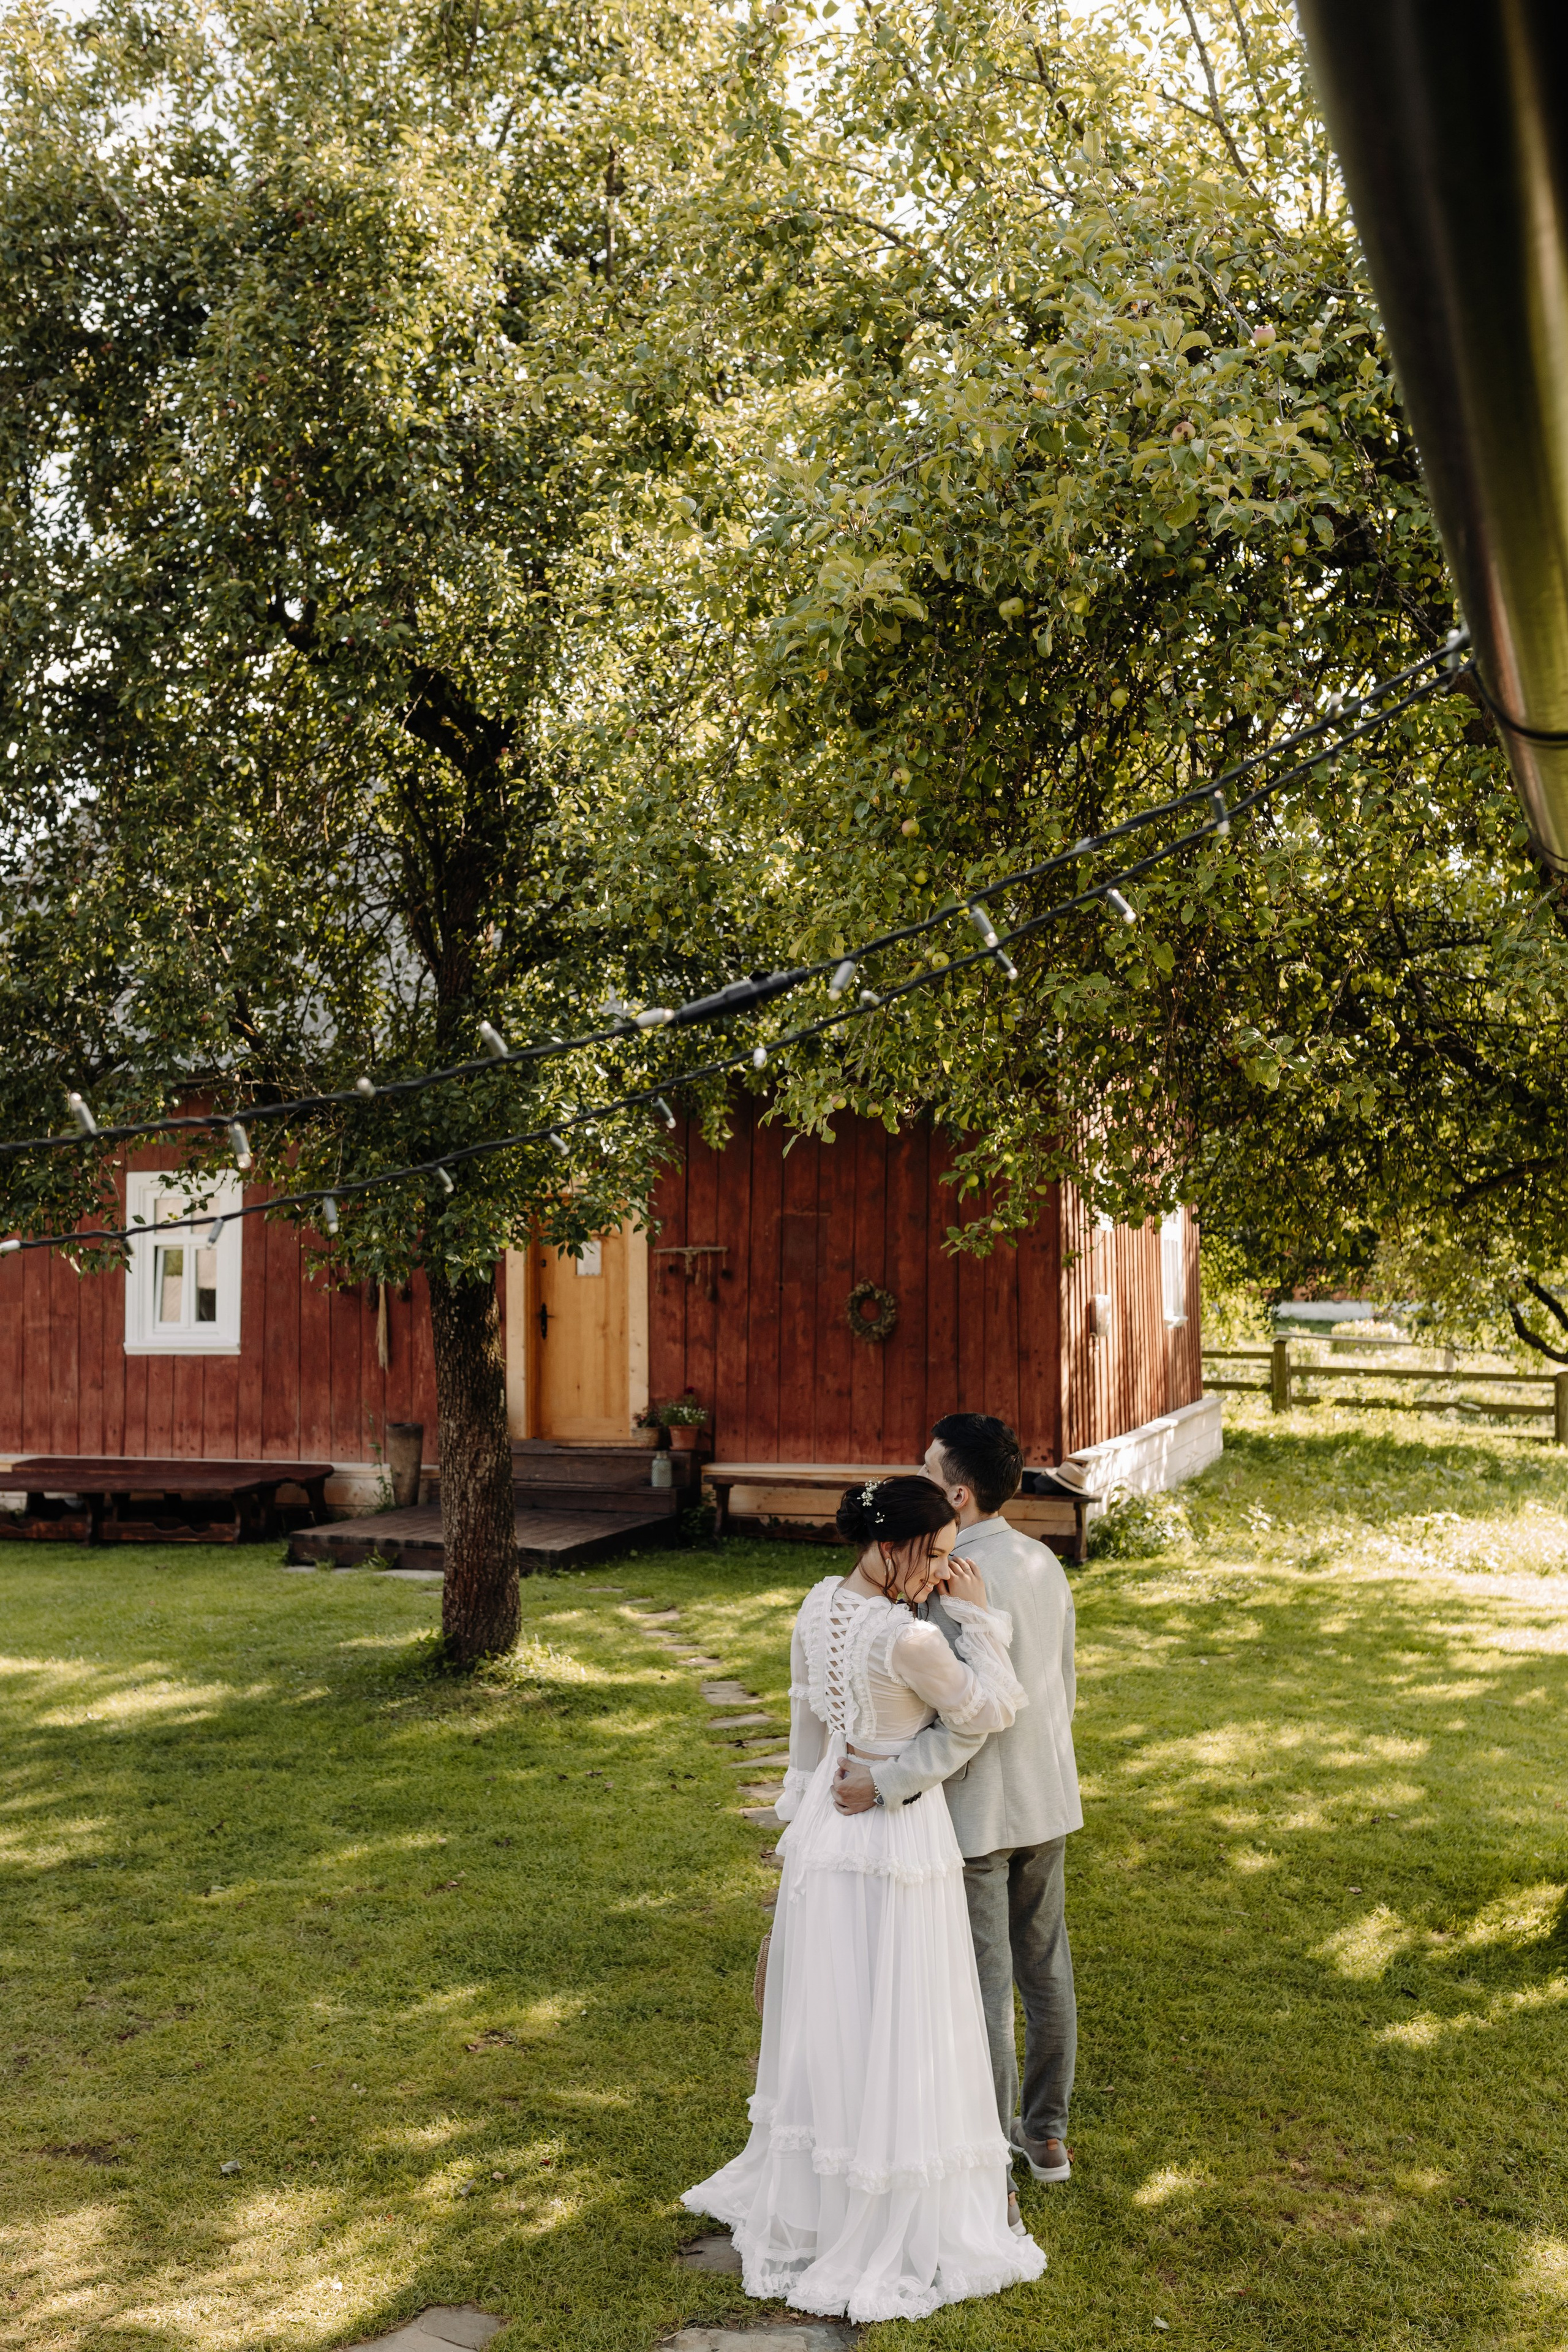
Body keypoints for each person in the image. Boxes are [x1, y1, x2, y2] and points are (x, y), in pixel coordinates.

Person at [682, 1475, 1047, 2324]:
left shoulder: (815, 1608)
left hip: (825, 1837)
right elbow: (992, 1709)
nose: (944, 1577)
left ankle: (828, 2197)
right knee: (903, 2011)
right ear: (895, 1548)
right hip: (893, 1838)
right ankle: (889, 2207)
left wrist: (800, 1818)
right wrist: (981, 1615)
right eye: (939, 1560)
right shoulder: (910, 1642)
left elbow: (807, 1736)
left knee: (840, 2015)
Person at [833, 1413, 1081, 2192]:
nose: (915, 1480)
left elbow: (957, 1719)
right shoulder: (1043, 1560)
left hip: (974, 1812)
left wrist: (889, 1781)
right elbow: (1061, 1685)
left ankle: (988, 2163)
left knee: (983, 1988)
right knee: (1044, 1972)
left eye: (927, 1472)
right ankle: (1045, 2137)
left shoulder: (940, 1580)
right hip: (1047, 1799)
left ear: (959, 1495)